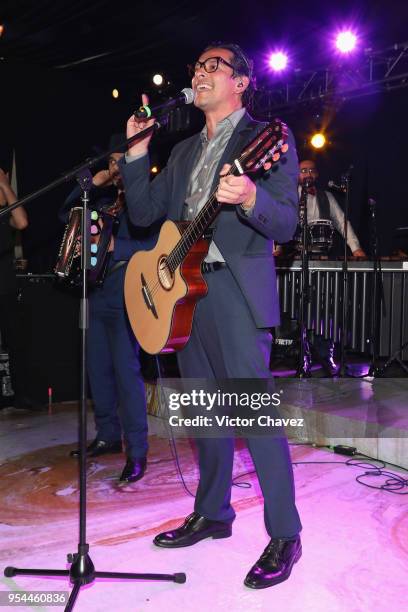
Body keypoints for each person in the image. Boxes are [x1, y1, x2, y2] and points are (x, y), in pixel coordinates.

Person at [120, 43, 302, 589]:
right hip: (182, 294)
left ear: (242, 82)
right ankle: (213, 512)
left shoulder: (267, 137)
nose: (199, 73)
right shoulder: (180, 153)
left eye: (213, 66)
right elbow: (146, 213)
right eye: (197, 66)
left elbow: (287, 223)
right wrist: (135, 152)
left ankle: (285, 533)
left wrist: (248, 197)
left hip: (232, 291)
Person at [61, 138, 157, 483]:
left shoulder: (144, 201)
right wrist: (87, 187)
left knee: (126, 374)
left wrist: (118, 246)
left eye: (122, 162)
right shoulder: (103, 200)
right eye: (113, 163)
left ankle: (138, 450)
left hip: (126, 293)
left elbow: (156, 245)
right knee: (97, 369)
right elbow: (65, 218)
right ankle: (107, 435)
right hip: (95, 294)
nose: (117, 169)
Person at [298, 159, 366, 375]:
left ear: (317, 174)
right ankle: (302, 354)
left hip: (322, 259)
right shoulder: (288, 197)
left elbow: (342, 222)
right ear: (297, 175)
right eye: (303, 170)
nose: (308, 174)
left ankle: (326, 352)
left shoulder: (326, 197)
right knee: (299, 307)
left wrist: (356, 249)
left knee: (326, 308)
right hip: (296, 260)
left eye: (311, 170)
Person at [0, 167, 37, 410]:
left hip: (5, 283)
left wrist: (4, 184)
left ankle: (21, 394)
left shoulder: (5, 215)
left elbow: (22, 222)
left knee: (15, 339)